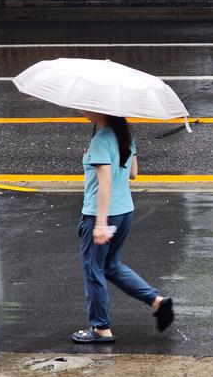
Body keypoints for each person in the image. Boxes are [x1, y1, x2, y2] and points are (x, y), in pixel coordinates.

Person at [71, 112, 173, 343]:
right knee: (111, 266)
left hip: (101, 214)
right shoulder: (124, 135)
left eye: (88, 108)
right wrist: (91, 159)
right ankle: (157, 302)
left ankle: (100, 328)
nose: (84, 112)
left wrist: (100, 223)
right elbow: (134, 173)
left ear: (101, 111)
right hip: (125, 211)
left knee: (93, 269)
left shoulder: (100, 141)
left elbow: (105, 183)